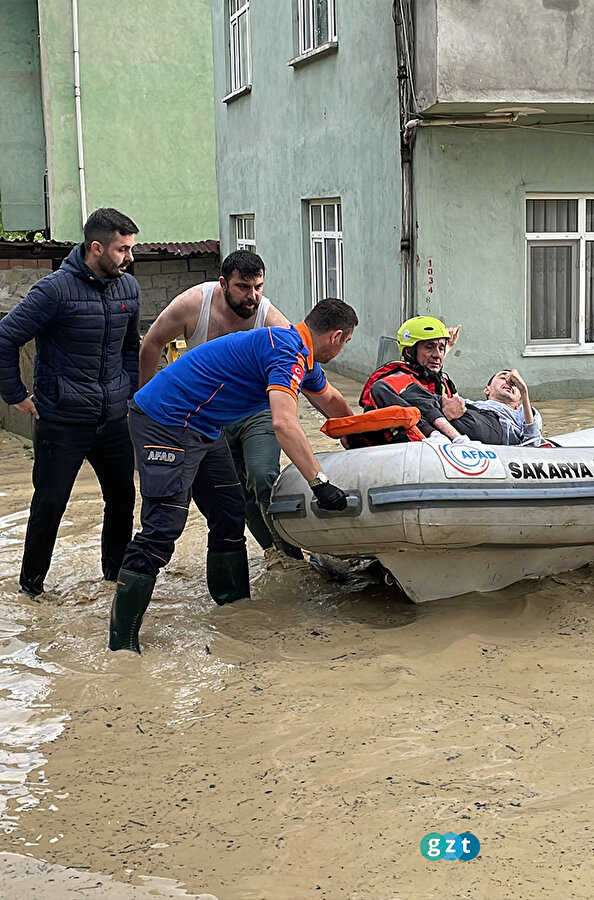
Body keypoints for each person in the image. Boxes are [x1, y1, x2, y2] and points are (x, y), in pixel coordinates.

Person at [109, 298, 357, 653]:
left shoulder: (300, 350)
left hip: (204, 426)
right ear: (336, 337)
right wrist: (320, 483)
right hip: (166, 422)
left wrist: (361, 438)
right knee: (162, 530)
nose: (343, 348)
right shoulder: (286, 353)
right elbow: (284, 423)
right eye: (346, 342)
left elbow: (331, 400)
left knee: (229, 515)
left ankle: (235, 611)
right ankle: (122, 644)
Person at [0, 208, 141, 598]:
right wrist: (16, 396)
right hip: (61, 421)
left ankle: (114, 582)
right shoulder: (54, 291)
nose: (129, 257)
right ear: (96, 248)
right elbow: (4, 338)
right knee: (49, 504)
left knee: (122, 501)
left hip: (113, 418)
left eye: (131, 248)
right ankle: (31, 592)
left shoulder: (128, 287)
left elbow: (131, 346)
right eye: (121, 249)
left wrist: (129, 392)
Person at [138, 249, 299, 565]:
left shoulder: (271, 319)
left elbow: (296, 369)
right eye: (242, 287)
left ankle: (292, 552)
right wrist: (144, 404)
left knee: (262, 475)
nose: (251, 296)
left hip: (256, 412)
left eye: (258, 287)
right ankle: (277, 557)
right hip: (209, 415)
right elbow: (152, 342)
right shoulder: (193, 305)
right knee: (235, 495)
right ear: (223, 283)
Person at [357, 316, 504, 445]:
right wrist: (441, 409)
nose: (438, 355)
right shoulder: (396, 379)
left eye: (441, 348)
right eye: (429, 347)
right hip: (421, 437)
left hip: (476, 430)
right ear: (409, 352)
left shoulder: (441, 381)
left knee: (485, 415)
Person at [443, 368, 543, 445]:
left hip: (494, 433)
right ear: (487, 390)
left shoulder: (523, 411)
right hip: (470, 420)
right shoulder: (471, 404)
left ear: (519, 398)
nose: (509, 383)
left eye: (515, 383)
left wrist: (524, 391)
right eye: (503, 378)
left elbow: (534, 443)